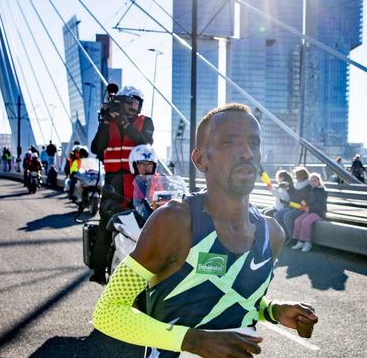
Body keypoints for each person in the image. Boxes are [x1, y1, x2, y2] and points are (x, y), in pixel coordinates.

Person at [92, 103, 318, 358]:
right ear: (200, 159)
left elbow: (234, 297)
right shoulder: (174, 222)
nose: (246, 153)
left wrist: (274, 310)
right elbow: (108, 312)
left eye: (254, 143)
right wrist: (193, 341)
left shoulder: (272, 233)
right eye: (228, 143)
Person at [90, 85, 154, 284]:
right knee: (106, 223)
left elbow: (145, 141)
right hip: (113, 181)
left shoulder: (145, 122)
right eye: (130, 104)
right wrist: (104, 121)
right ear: (122, 103)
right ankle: (99, 269)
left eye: (137, 105)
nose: (133, 108)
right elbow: (96, 147)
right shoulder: (110, 123)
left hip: (139, 178)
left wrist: (124, 122)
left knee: (145, 220)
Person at [291, 173, 328, 253]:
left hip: (319, 213)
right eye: (311, 181)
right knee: (297, 221)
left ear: (319, 181)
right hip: (311, 212)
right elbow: (311, 202)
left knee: (306, 222)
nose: (313, 183)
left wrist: (310, 208)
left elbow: (322, 206)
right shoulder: (312, 190)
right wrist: (305, 204)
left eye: (315, 181)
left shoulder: (321, 191)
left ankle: (307, 243)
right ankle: (300, 242)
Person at [274, 166, 311, 244]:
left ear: (301, 176)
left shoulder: (307, 186)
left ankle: (292, 238)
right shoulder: (297, 184)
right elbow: (293, 197)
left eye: (296, 175)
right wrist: (289, 189)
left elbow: (300, 200)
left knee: (287, 216)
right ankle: (285, 235)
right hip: (294, 206)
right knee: (278, 215)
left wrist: (289, 190)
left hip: (302, 208)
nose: (295, 177)